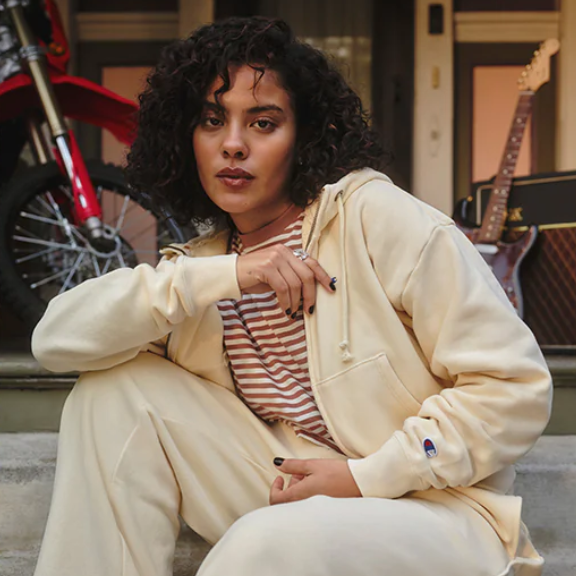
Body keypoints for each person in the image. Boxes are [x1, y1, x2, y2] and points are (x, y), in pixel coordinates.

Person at [31, 16, 552, 576]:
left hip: (431, 508)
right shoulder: (207, 270)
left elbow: (514, 389)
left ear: (304, 137)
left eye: (263, 123)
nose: (233, 145)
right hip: (288, 489)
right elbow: (56, 342)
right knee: (109, 393)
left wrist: (365, 476)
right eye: (212, 121)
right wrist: (225, 275)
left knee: (263, 542)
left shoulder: (376, 220)